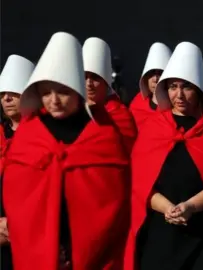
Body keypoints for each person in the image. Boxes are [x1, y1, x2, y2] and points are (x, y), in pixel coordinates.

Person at [2, 32, 130, 270]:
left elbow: (115, 205)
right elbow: (17, 199)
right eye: (46, 92)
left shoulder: (103, 133)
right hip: (37, 251)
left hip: (92, 255)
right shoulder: (29, 135)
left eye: (62, 91)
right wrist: (44, 251)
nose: (54, 101)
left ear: (77, 90)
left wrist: (81, 253)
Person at [125, 42, 203, 270]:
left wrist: (191, 207)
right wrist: (166, 208)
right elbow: (140, 181)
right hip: (161, 231)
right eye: (173, 87)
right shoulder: (154, 127)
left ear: (199, 89)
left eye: (187, 87)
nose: (179, 95)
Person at [0, 54, 35, 270]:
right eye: (2, 94)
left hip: (31, 238)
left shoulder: (44, 138)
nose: (6, 98)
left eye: (13, 92)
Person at [82, 37, 137, 153]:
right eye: (84, 77)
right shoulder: (72, 110)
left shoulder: (120, 116)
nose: (89, 84)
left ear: (106, 82)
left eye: (95, 78)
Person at [129, 42, 171, 128]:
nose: (155, 79)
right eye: (152, 73)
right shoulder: (137, 104)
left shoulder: (178, 106)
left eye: (160, 73)